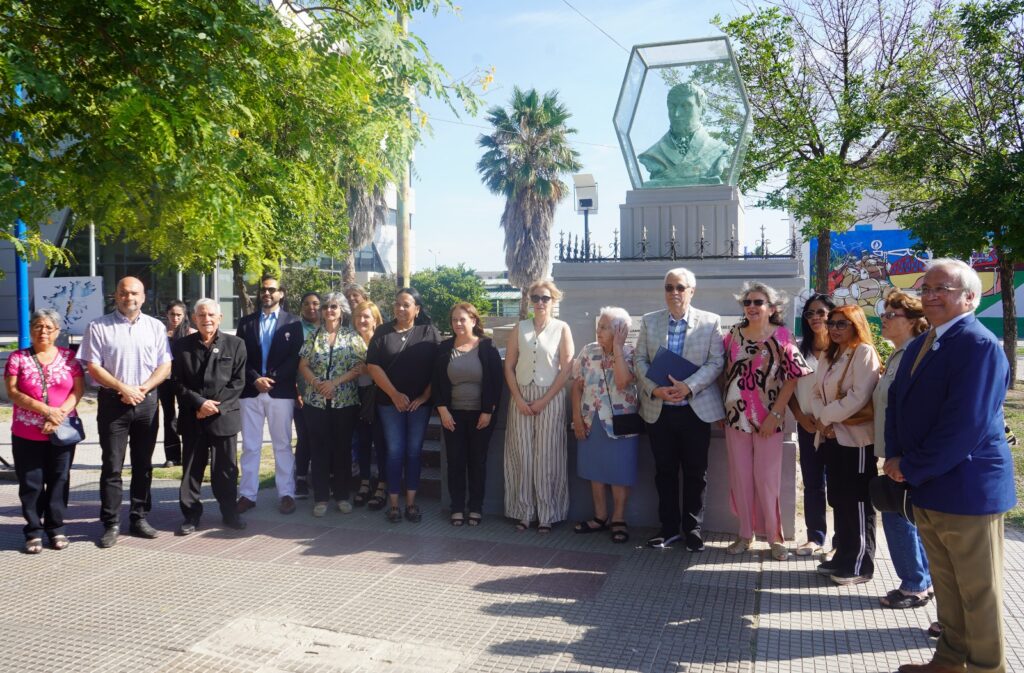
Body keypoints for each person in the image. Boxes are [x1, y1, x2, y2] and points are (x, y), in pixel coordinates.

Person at [886, 259, 1015, 673]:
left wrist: (912, 466)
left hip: (967, 488)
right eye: (926, 287)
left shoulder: (978, 345)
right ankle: (949, 660)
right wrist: (892, 456)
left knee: (978, 591)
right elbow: (898, 404)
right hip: (928, 484)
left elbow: (966, 425)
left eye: (943, 288)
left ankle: (985, 667)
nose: (931, 295)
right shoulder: (925, 341)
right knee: (947, 585)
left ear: (971, 297)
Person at [634, 267, 725, 551]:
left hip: (694, 410)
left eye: (680, 287)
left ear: (692, 291)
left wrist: (689, 386)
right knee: (664, 471)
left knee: (696, 472)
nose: (674, 292)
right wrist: (654, 388)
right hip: (659, 410)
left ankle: (693, 529)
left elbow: (715, 362)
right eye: (669, 287)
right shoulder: (649, 322)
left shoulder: (710, 322)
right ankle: (669, 529)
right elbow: (639, 359)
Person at [78, 276, 172, 547]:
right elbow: (93, 367)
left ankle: (139, 517)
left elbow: (165, 366)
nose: (128, 297)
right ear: (115, 295)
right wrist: (123, 388)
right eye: (123, 293)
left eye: (134, 293)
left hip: (146, 403)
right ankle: (110, 523)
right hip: (113, 403)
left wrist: (143, 388)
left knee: (143, 464)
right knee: (112, 466)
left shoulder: (155, 327)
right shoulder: (98, 326)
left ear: (143, 297)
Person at [722, 283, 810, 560]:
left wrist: (776, 414)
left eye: (758, 302)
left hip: (768, 420)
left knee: (767, 480)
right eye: (747, 302)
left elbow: (793, 377)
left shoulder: (783, 336)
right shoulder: (733, 335)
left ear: (772, 308)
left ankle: (775, 537)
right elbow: (724, 373)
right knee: (741, 479)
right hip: (735, 418)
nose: (751, 306)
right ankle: (745, 534)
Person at [811, 304, 881, 585]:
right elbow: (816, 392)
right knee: (839, 499)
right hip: (831, 437)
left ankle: (861, 563)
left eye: (842, 324)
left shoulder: (864, 353)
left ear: (856, 325)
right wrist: (822, 418)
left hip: (856, 440)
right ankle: (844, 556)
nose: (835, 329)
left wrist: (826, 417)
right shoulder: (830, 354)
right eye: (832, 324)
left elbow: (859, 396)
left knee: (858, 502)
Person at [5, 309, 85, 553]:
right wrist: (45, 410)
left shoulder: (69, 358)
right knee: (32, 483)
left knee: (59, 480)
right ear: (31, 329)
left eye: (49, 327)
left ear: (58, 332)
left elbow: (77, 391)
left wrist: (57, 415)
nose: (43, 331)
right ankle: (33, 530)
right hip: (27, 432)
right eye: (38, 326)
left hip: (62, 430)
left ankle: (56, 528)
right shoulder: (18, 358)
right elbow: (13, 392)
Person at [872, 291, 933, 609]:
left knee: (898, 517)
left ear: (913, 321)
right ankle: (923, 579)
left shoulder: (917, 355)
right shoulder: (898, 354)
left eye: (891, 315)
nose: (883, 319)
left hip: (906, 456)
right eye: (883, 313)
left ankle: (914, 585)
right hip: (893, 453)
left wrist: (902, 456)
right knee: (906, 515)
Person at [503, 280, 574, 534]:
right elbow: (509, 366)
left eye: (545, 298)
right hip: (521, 395)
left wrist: (545, 400)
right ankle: (523, 511)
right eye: (536, 298)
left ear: (553, 300)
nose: (540, 303)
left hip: (551, 396)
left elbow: (566, 368)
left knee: (546, 456)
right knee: (521, 454)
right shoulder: (519, 328)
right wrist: (519, 399)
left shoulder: (561, 328)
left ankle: (547, 513)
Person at [171, 299, 247, 535]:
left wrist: (214, 406)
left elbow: (238, 382)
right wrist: (199, 403)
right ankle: (191, 516)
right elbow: (176, 381)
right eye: (202, 315)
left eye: (211, 315)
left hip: (223, 417)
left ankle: (229, 513)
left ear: (220, 318)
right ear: (193, 318)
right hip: (193, 416)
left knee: (226, 470)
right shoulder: (181, 346)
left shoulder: (236, 344)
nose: (207, 319)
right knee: (192, 470)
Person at [367, 287, 440, 523]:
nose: (400, 308)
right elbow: (373, 367)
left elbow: (439, 370)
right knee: (395, 451)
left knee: (413, 451)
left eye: (406, 304)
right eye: (397, 304)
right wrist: (395, 394)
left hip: (419, 406)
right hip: (389, 404)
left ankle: (411, 503)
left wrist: (424, 397)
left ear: (417, 309)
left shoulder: (429, 332)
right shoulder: (382, 332)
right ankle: (394, 504)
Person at [235, 274, 303, 515]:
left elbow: (295, 358)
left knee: (282, 445)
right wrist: (256, 379)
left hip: (280, 391)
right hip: (251, 392)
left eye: (272, 290)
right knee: (250, 446)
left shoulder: (293, 323)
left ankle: (286, 493)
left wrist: (272, 379)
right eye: (263, 290)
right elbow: (240, 357)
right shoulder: (245, 323)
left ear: (281, 293)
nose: (266, 293)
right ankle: (247, 495)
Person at [570, 307, 639, 544]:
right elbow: (576, 386)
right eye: (599, 326)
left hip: (621, 422)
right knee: (595, 470)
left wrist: (617, 348)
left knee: (620, 472)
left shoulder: (632, 353)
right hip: (592, 419)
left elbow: (623, 381)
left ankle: (618, 518)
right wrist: (577, 419)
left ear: (620, 330)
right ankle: (600, 516)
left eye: (605, 327)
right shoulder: (588, 351)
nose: (599, 331)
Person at [433, 303, 503, 527]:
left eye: (462, 319)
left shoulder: (487, 347)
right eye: (454, 320)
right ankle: (456, 508)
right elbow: (436, 381)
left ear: (473, 321)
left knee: (477, 462)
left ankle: (475, 507)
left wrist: (487, 411)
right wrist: (442, 409)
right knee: (455, 461)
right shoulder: (444, 348)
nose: (458, 324)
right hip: (451, 415)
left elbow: (496, 382)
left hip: (480, 416)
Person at [298, 292, 364, 517]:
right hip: (315, 402)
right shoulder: (313, 336)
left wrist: (334, 383)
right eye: (325, 306)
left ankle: (343, 495)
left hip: (344, 401)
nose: (329, 310)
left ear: (342, 310)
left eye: (334, 306)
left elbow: (359, 367)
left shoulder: (351, 336)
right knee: (319, 449)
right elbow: (303, 365)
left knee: (342, 449)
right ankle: (321, 497)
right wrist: (317, 384)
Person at [788, 293, 835, 557]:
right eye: (809, 314)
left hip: (837, 428)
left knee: (840, 487)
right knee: (813, 484)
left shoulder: (843, 349)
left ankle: (843, 541)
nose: (815, 318)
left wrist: (830, 420)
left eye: (821, 312)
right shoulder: (798, 348)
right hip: (807, 426)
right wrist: (799, 417)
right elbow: (790, 389)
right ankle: (815, 537)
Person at [637, 82, 732, 186]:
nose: (677, 114)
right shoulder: (652, 154)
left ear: (703, 110)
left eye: (685, 106)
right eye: (672, 107)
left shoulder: (721, 151)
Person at [351, 300, 387, 509]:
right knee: (362, 442)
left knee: (380, 443)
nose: (362, 320)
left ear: (375, 320)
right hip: (355, 397)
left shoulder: (382, 341)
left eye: (366, 317)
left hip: (378, 398)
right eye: (358, 316)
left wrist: (368, 370)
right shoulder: (349, 342)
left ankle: (381, 485)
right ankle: (365, 482)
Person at [158, 300, 195, 467]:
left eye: (179, 314)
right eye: (172, 314)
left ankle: (193, 451)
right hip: (164, 379)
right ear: (167, 314)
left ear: (185, 315)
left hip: (184, 380)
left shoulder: (190, 333)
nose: (175, 318)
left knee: (187, 413)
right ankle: (172, 455)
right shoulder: (160, 333)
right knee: (168, 416)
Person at [293, 291, 321, 499]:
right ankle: (301, 478)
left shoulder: (331, 328)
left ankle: (322, 478)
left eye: (316, 303)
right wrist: (296, 390)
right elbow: (292, 363)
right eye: (307, 303)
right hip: (302, 393)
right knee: (305, 437)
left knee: (323, 438)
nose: (312, 307)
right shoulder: (295, 330)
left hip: (328, 393)